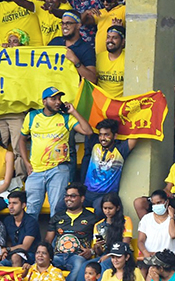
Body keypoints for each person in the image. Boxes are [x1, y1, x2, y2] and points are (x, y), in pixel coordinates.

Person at [20, 87, 92, 219]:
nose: (58, 102)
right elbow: (22, 139)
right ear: (44, 101)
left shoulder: (66, 118)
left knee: (57, 210)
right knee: (31, 210)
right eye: (53, 99)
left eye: (59, 99)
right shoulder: (32, 116)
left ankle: (55, 240)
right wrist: (26, 162)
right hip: (36, 170)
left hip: (59, 169)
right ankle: (31, 240)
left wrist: (74, 112)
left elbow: (88, 131)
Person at [82, 119, 137, 213]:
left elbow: (136, 135)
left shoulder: (120, 150)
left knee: (99, 211)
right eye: (100, 134)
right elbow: (87, 129)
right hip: (87, 192)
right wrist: (72, 111)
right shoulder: (95, 145)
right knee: (63, 205)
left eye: (107, 134)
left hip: (105, 195)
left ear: (115, 136)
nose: (102, 138)